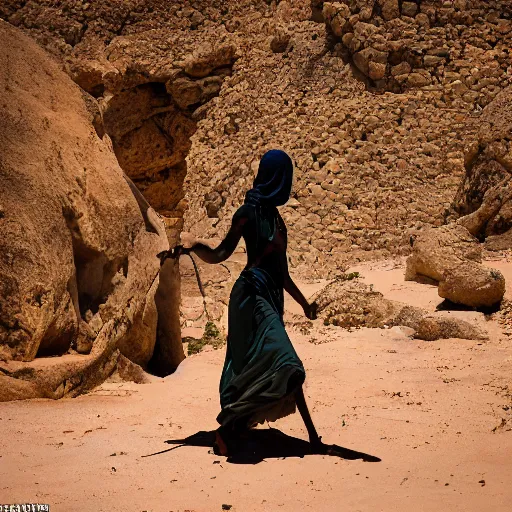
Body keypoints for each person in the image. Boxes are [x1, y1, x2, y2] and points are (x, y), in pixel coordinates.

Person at [161, 149, 326, 456]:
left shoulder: (277, 220)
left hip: (270, 296)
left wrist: (304, 305)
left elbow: (283, 274)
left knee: (279, 368)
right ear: (278, 178)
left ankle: (312, 440)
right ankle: (228, 430)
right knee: (286, 361)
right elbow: (221, 254)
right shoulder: (247, 214)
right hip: (250, 297)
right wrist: (193, 246)